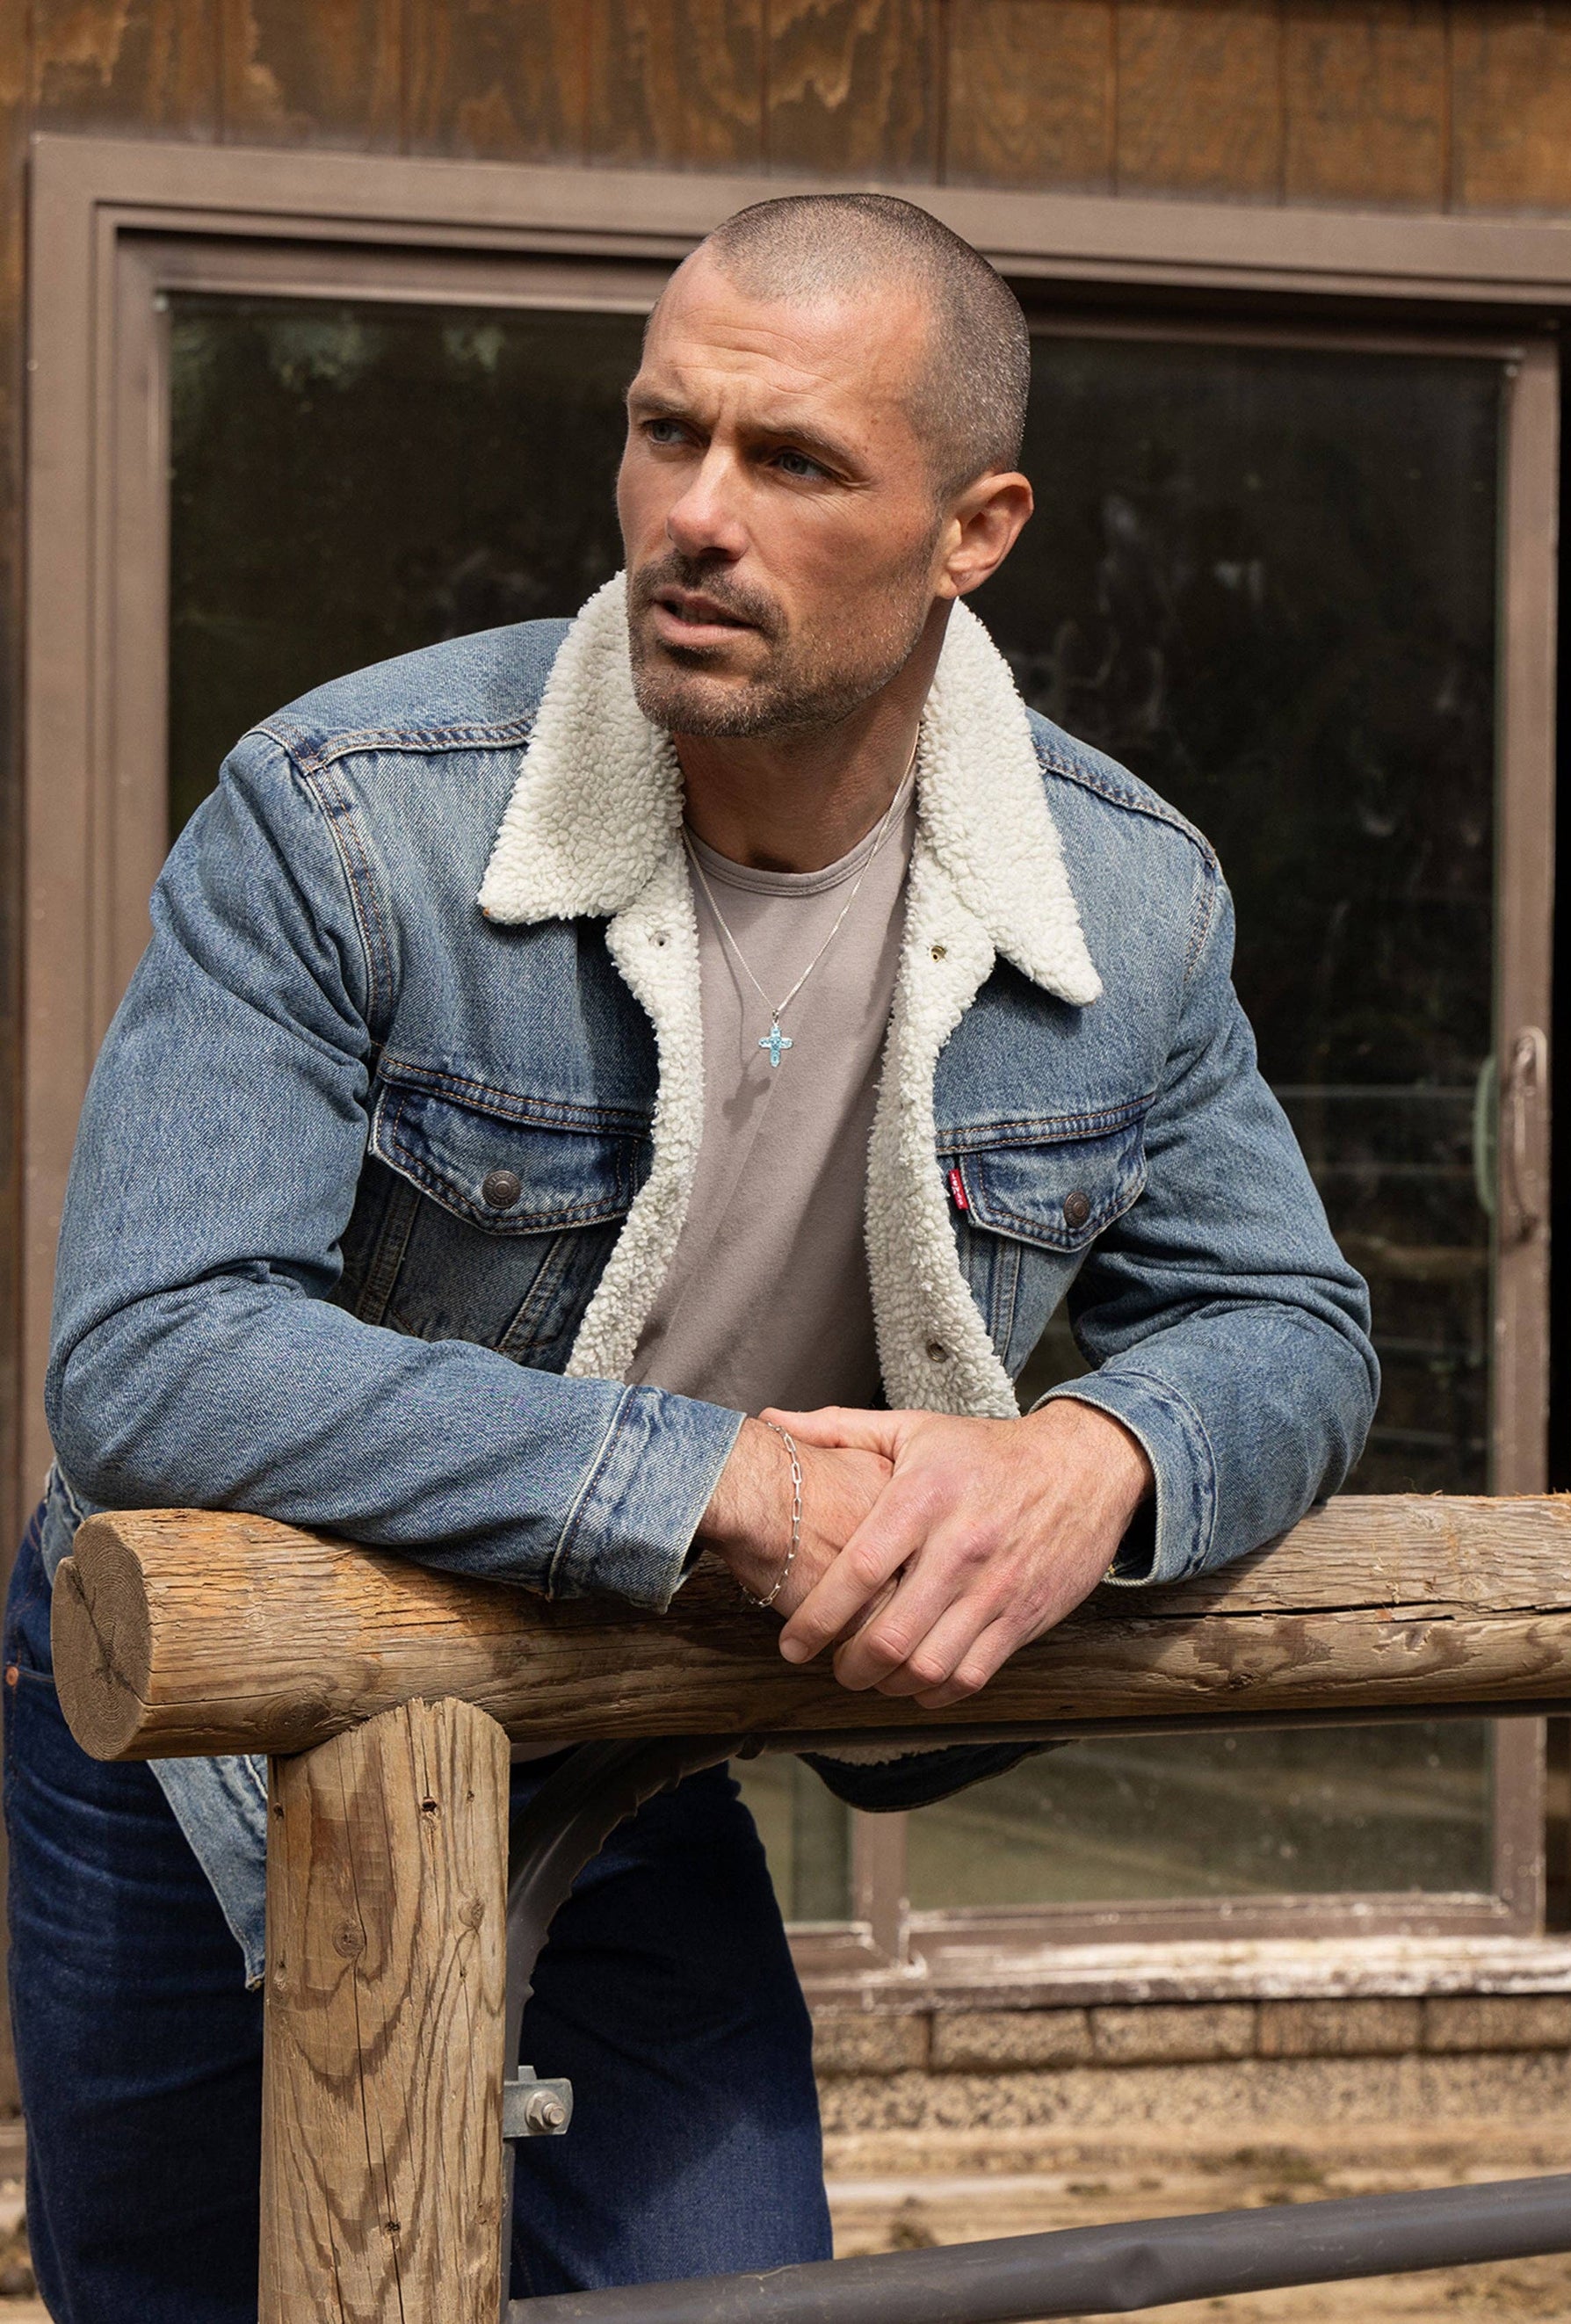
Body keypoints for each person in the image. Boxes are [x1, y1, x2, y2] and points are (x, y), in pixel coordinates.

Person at [7, 192, 1377, 2319]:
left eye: (795, 460)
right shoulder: (350, 810)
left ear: (974, 528)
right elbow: (152, 1353)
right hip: (205, 1716)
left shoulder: (1122, 903)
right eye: (667, 433)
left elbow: (1284, 1317)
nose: (694, 519)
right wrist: (726, 1481)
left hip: (625, 1712)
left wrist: (1089, 1460)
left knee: (728, 2294)